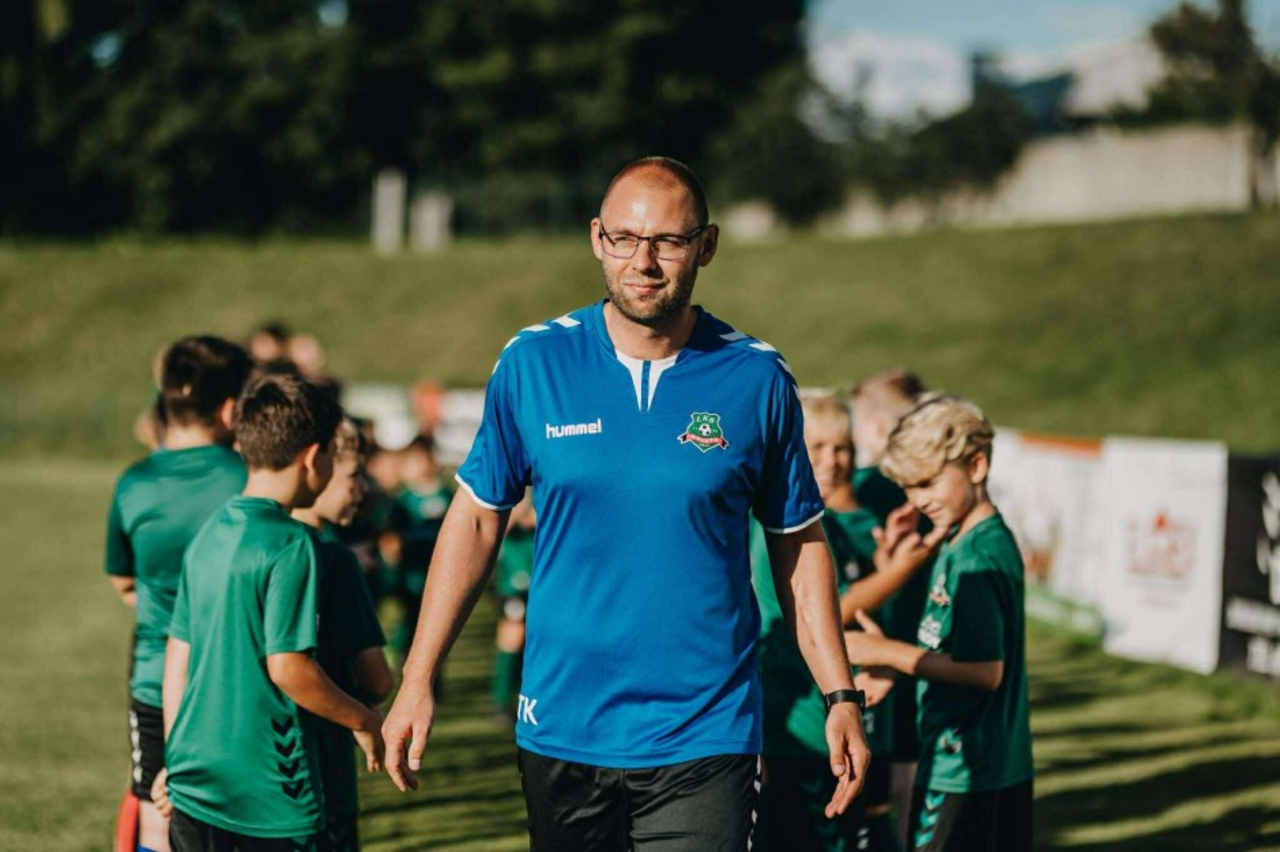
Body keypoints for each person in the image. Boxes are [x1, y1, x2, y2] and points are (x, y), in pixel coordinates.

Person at [382, 156, 870, 851]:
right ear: (596, 238)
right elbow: (479, 520)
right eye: (624, 238)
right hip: (561, 725)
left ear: (706, 245)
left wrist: (839, 693)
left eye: (667, 241)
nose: (642, 261)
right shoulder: (532, 362)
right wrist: (418, 676)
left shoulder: (757, 376)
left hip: (707, 730)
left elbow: (797, 541)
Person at [153, 375, 385, 851]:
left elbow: (178, 656)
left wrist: (176, 758)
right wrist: (362, 720)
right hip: (271, 799)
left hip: (195, 787)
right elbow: (289, 668)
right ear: (313, 457)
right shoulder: (291, 543)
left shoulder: (209, 533)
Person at [844, 394, 1034, 852]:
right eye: (909, 486)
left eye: (927, 483)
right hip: (976, 764)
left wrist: (890, 653)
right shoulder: (959, 539)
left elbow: (984, 671)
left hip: (967, 770)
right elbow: (949, 644)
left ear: (976, 466)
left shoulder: (977, 555)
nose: (917, 499)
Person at [752, 392, 937, 852]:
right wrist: (899, 571)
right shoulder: (783, 527)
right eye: (817, 448)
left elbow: (861, 605)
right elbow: (825, 610)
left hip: (857, 716)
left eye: (842, 449)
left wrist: (885, 563)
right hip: (802, 723)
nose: (831, 461)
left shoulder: (851, 520)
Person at [103, 336, 253, 852]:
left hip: (153, 680)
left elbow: (124, 583)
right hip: (237, 681)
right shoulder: (252, 480)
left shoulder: (134, 482)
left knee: (155, 819)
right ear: (231, 409)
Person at [291, 418, 393, 851]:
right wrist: (363, 714)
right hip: (323, 757)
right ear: (320, 466)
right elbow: (377, 679)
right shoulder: (334, 560)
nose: (363, 488)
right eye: (354, 475)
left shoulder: (250, 545)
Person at [851, 369, 932, 846]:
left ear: (875, 428)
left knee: (881, 795)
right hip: (933, 651)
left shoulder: (863, 490)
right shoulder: (936, 487)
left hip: (878, 656)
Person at [491, 490, 536, 721]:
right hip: (513, 591)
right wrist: (523, 503)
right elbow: (498, 527)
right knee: (512, 638)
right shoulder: (513, 524)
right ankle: (502, 701)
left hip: (540, 590)